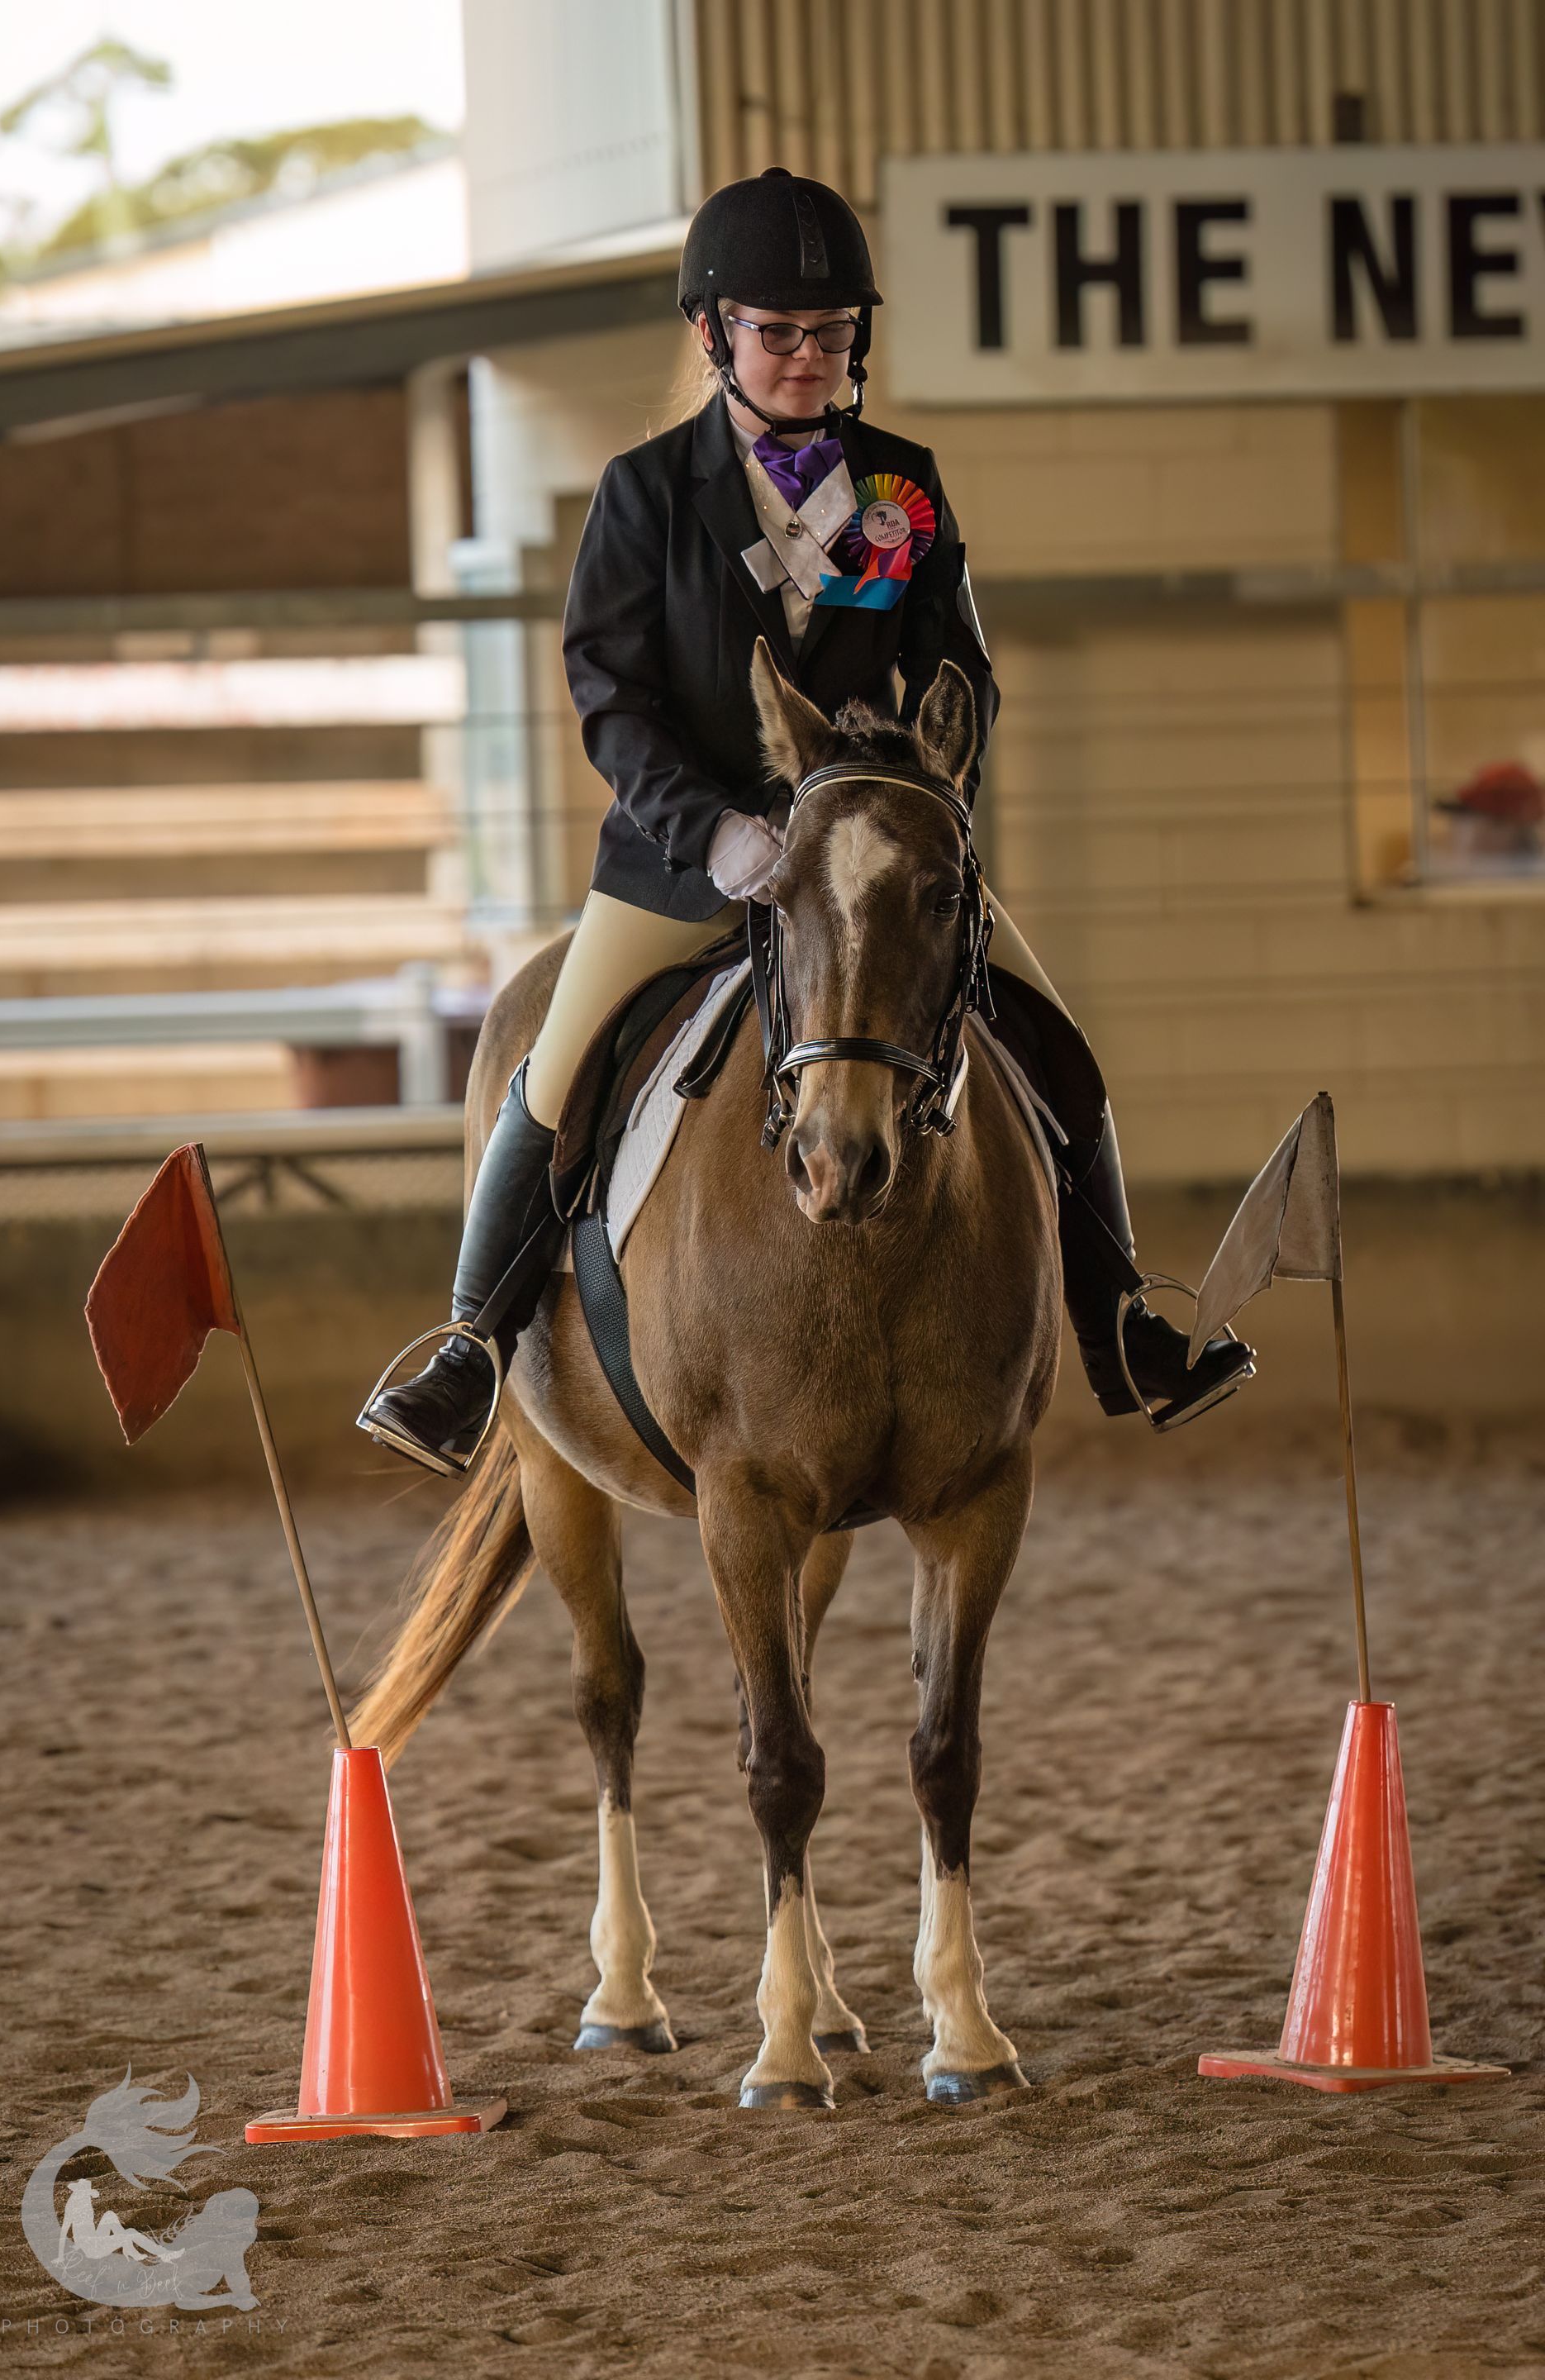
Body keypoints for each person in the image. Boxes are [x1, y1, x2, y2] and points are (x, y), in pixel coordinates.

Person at [359, 168, 1254, 1475]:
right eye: (777, 333)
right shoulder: (646, 493)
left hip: (870, 860)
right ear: (716, 333)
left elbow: (966, 670)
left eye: (829, 336)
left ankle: (1123, 1323)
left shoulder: (903, 489)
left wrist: (919, 791)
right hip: (684, 860)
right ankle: (470, 1350)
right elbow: (610, 698)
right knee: (554, 1076)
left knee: (1057, 1045)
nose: (804, 358)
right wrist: (719, 833)